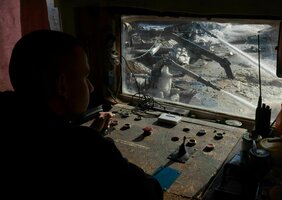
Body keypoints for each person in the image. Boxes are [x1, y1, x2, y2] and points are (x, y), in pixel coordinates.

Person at [3, 29, 163, 199]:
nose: (91, 87)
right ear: (62, 85)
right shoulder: (87, 148)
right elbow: (149, 193)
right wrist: (94, 143)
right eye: (85, 77)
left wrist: (89, 134)